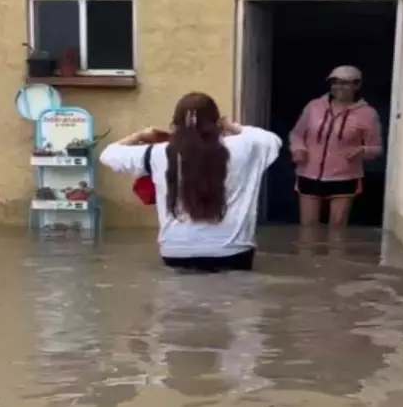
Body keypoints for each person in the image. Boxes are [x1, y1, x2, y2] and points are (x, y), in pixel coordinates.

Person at [99, 92, 281, 273]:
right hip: (233, 253)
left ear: (175, 124)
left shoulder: (157, 153)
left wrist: (142, 135)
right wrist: (232, 126)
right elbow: (273, 140)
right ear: (216, 122)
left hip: (176, 252)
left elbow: (108, 154)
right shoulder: (246, 147)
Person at [289, 66, 382, 227]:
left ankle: (337, 253)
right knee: (308, 228)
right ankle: (307, 253)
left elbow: (376, 147)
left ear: (357, 86)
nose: (338, 87)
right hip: (309, 173)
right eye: (335, 82)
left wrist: (362, 151)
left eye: (345, 83)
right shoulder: (314, 106)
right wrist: (298, 149)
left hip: (345, 177)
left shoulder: (368, 113)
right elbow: (297, 134)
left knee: (337, 229)